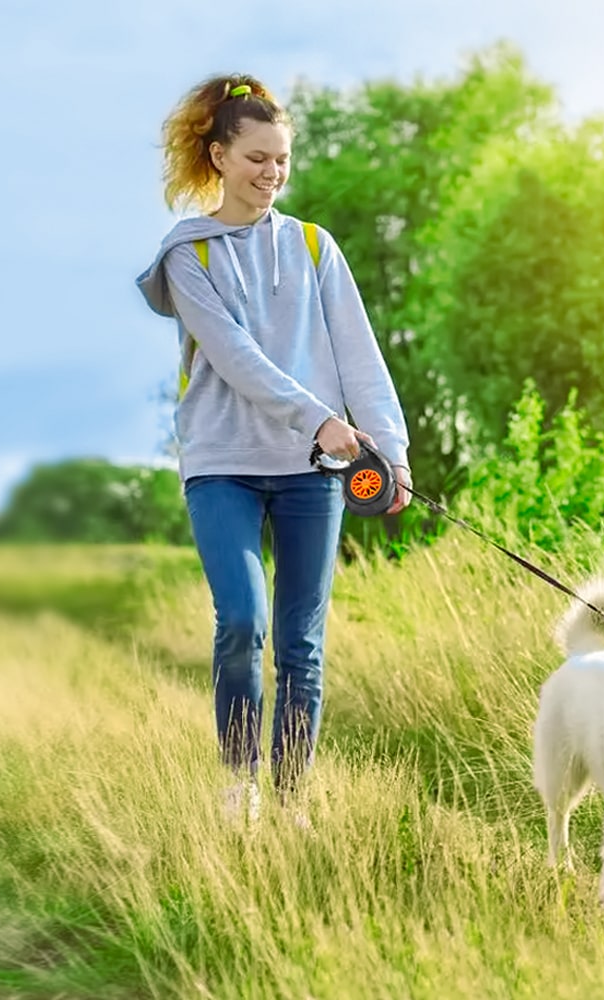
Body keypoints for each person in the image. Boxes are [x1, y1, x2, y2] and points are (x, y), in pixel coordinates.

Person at [136, 74, 411, 821]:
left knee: (301, 645)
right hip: (223, 462)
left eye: (282, 160)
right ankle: (240, 785)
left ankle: (290, 804)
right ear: (219, 156)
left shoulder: (316, 246)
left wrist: (392, 453)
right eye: (257, 158)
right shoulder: (187, 256)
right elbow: (233, 356)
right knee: (242, 622)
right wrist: (321, 417)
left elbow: (361, 356)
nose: (272, 174)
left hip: (311, 473)